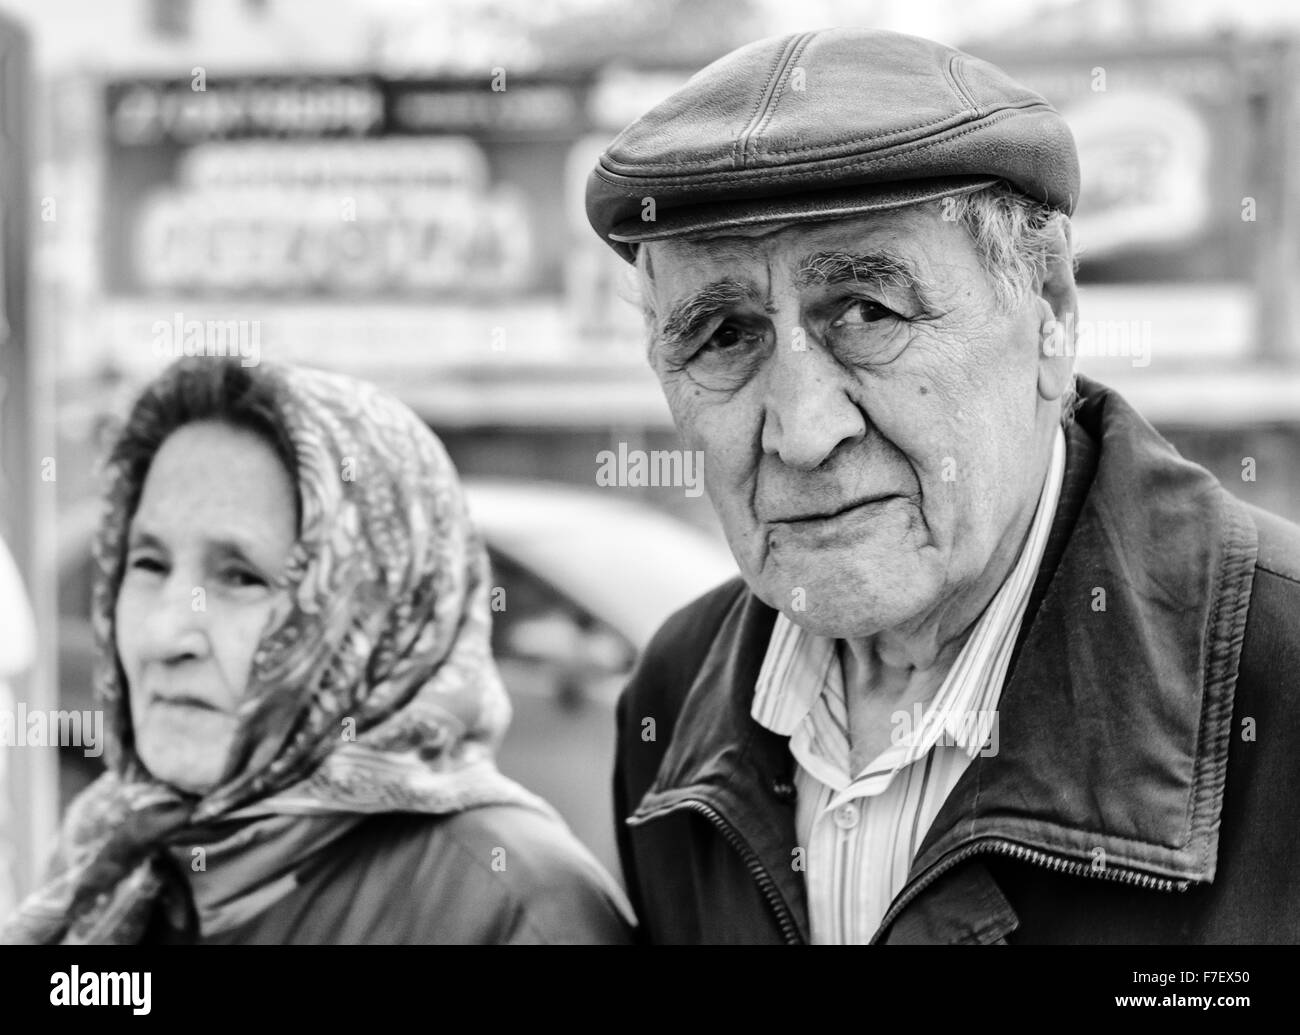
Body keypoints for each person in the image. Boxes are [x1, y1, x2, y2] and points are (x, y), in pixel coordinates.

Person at [588, 27, 1300, 943]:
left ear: (1049, 312)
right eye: (724, 335)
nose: (802, 434)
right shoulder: (674, 697)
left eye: (866, 311)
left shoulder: (1279, 684)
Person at [2, 357, 634, 944]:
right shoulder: (110, 850)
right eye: (148, 563)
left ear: (366, 611)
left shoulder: (514, 903)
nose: (166, 635)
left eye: (241, 576)